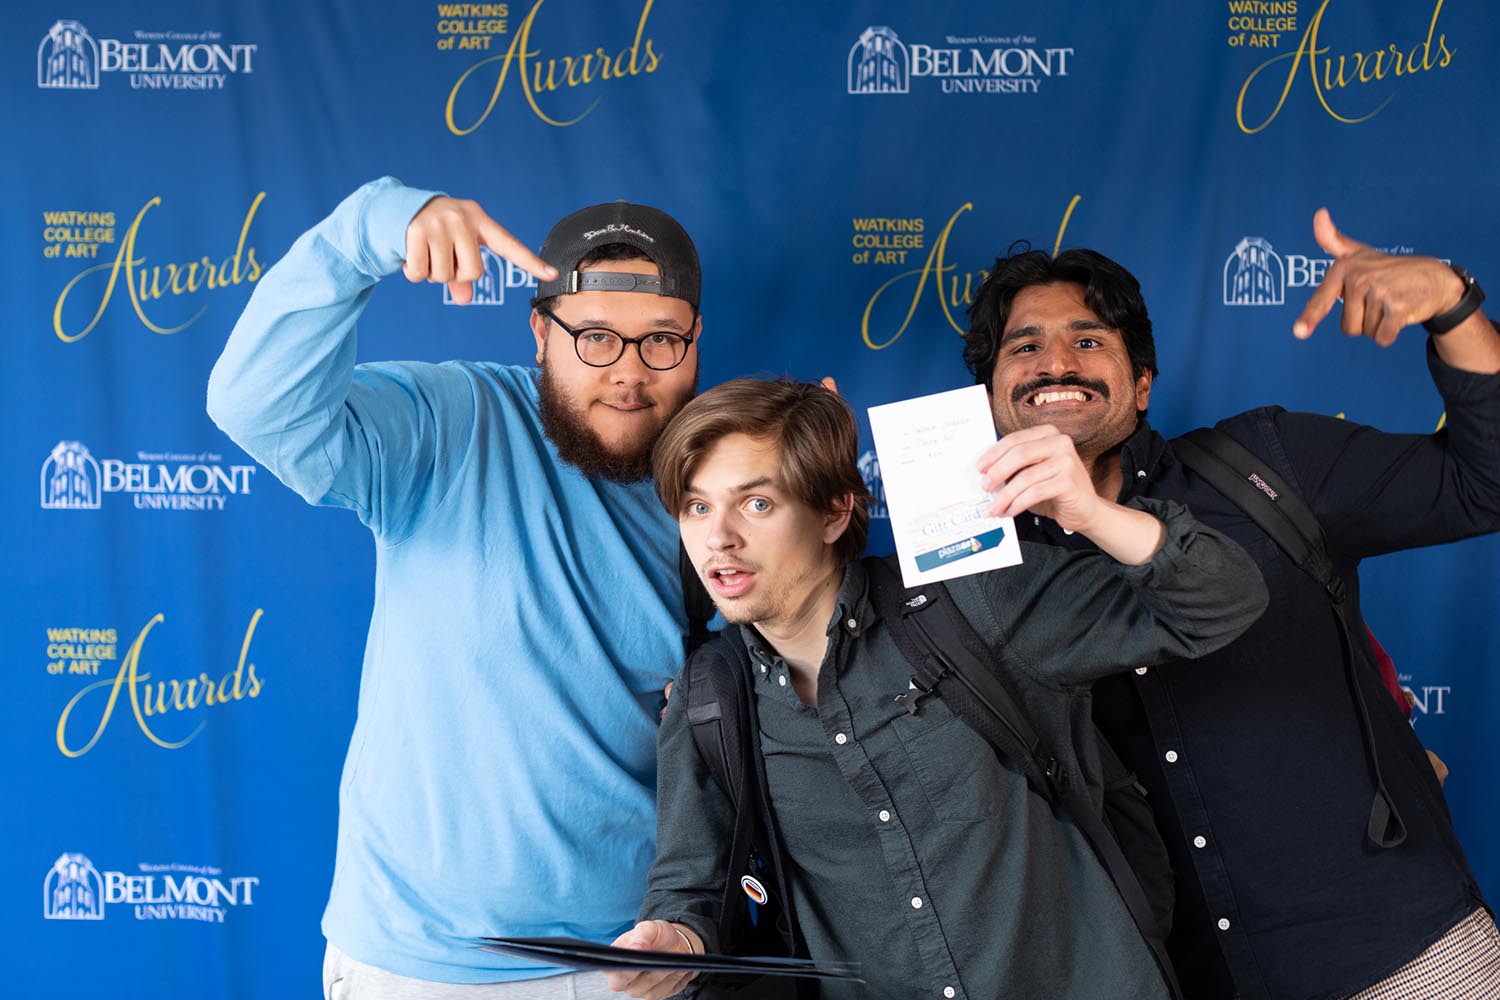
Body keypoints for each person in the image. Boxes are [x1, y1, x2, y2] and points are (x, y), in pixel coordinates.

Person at [962, 209, 1500, 999]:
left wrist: (1456, 309)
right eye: (1025, 345)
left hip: (1403, 956)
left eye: (1088, 341)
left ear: (1142, 385)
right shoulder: (974, 575)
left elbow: (1483, 486)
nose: (1055, 364)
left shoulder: (1267, 465)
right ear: (990, 395)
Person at [605, 377, 1268, 1000]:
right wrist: (674, 939)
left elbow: (1224, 601)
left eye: (757, 503)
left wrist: (1091, 513)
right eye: (697, 506)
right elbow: (692, 885)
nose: (718, 538)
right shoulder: (709, 694)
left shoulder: (974, 602)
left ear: (836, 511)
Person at [207, 177, 706, 997]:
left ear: (694, 341)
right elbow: (255, 406)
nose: (628, 373)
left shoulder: (718, 469)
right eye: (594, 338)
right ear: (540, 333)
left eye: (660, 341)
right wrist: (365, 229)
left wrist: (807, 483)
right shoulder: (455, 421)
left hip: (633, 957)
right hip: (416, 962)